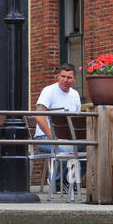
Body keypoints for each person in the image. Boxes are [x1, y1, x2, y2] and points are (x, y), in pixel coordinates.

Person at [33, 63, 83, 191]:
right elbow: (38, 115)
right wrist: (53, 138)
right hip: (45, 138)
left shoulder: (75, 95)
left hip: (68, 138)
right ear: (57, 76)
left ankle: (67, 180)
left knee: (90, 148)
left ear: (74, 79)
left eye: (69, 77)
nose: (65, 80)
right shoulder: (49, 91)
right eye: (63, 76)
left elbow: (77, 120)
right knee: (67, 148)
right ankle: (55, 180)